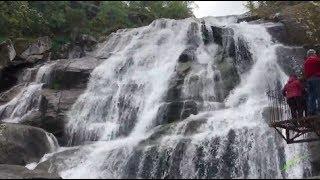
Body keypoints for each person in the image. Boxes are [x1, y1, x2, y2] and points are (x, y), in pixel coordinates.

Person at [304, 49, 320, 116]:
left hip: (309, 80)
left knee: (311, 95)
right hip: (316, 78)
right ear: (314, 54)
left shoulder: (306, 62)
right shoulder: (317, 59)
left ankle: (312, 110)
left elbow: (305, 72)